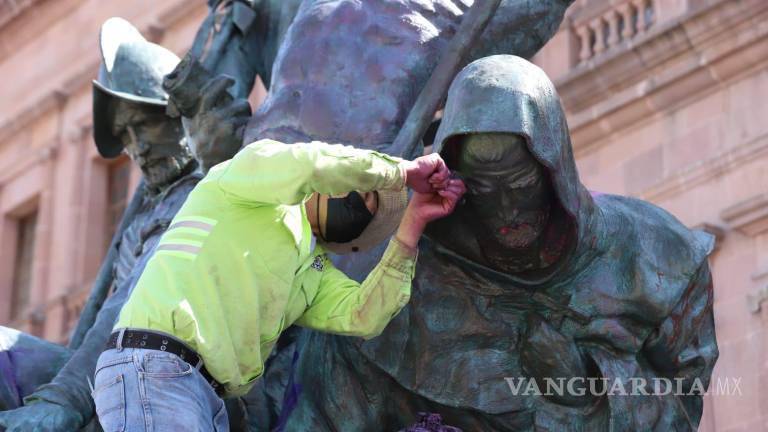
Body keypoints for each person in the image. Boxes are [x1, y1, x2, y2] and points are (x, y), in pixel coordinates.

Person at [277, 56, 718, 431]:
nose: (506, 210)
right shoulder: (386, 293)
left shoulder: (659, 260)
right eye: (483, 188)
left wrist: (582, 389)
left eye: (521, 183)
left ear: (553, 169)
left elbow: (685, 409)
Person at [91, 132, 466, 430]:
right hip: (157, 366)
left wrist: (412, 223)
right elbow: (307, 165)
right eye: (361, 192)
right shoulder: (245, 180)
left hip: (206, 395)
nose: (357, 206)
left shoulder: (313, 272)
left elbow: (363, 315)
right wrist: (400, 172)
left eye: (366, 214)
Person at [0, 17, 242, 431]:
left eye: (143, 123)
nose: (138, 147)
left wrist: (65, 399)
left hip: (186, 380)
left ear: (177, 116)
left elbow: (133, 299)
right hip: (112, 367)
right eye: (125, 135)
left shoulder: (206, 194)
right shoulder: (148, 209)